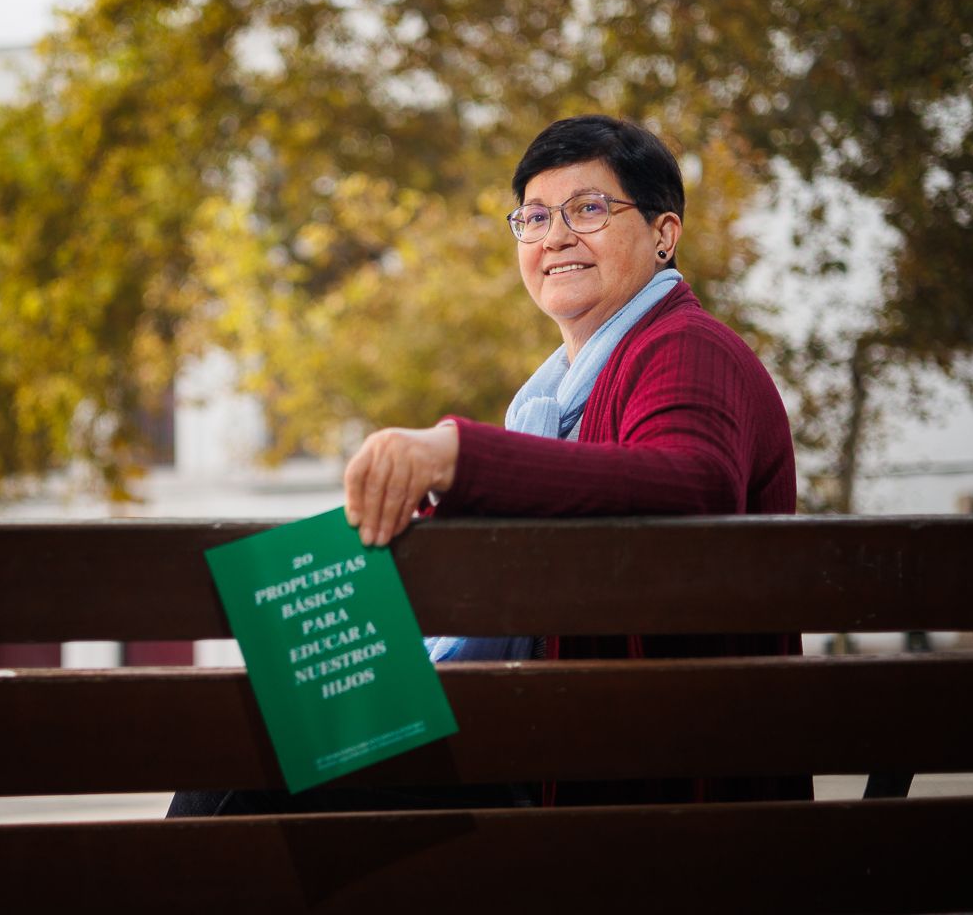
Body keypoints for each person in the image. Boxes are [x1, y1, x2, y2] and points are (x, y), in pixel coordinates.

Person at [170, 114, 808, 816]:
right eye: (534, 218)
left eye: (589, 209)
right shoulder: (559, 397)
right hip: (571, 752)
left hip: (631, 786)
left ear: (664, 234)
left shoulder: (687, 347)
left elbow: (691, 486)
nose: (556, 236)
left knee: (253, 751)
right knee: (278, 721)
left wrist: (457, 454)